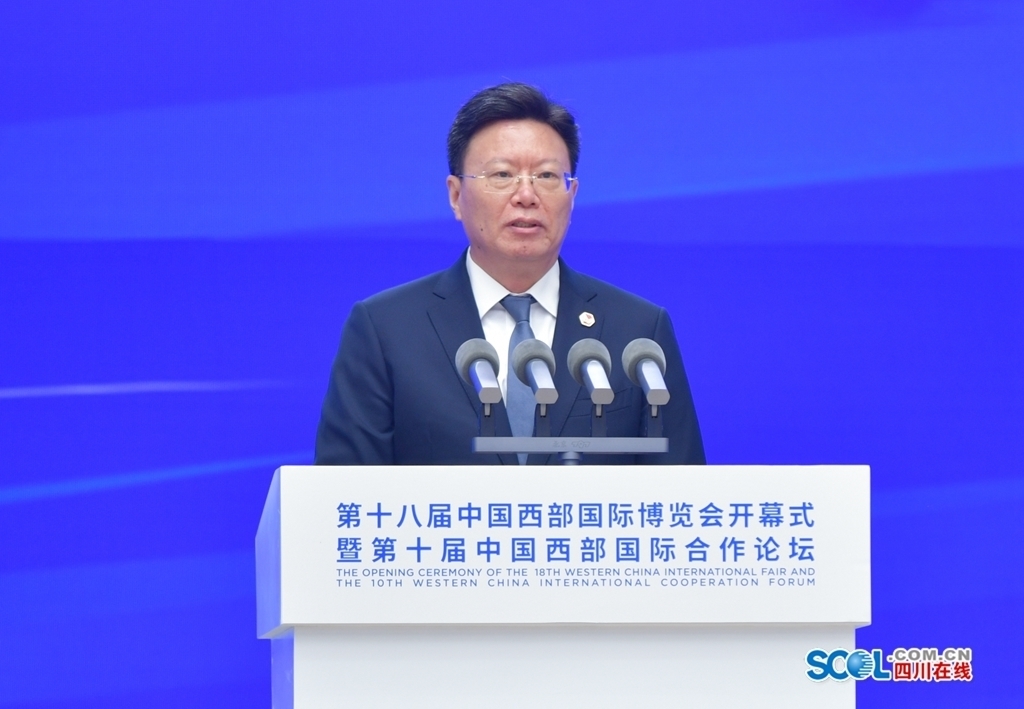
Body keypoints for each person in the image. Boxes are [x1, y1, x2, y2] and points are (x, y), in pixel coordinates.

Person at [315, 83, 704, 465]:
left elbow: (681, 491)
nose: (526, 195)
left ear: (572, 195)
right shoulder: (386, 329)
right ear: (456, 196)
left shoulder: (638, 331)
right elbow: (341, 494)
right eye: (502, 175)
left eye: (547, 176)